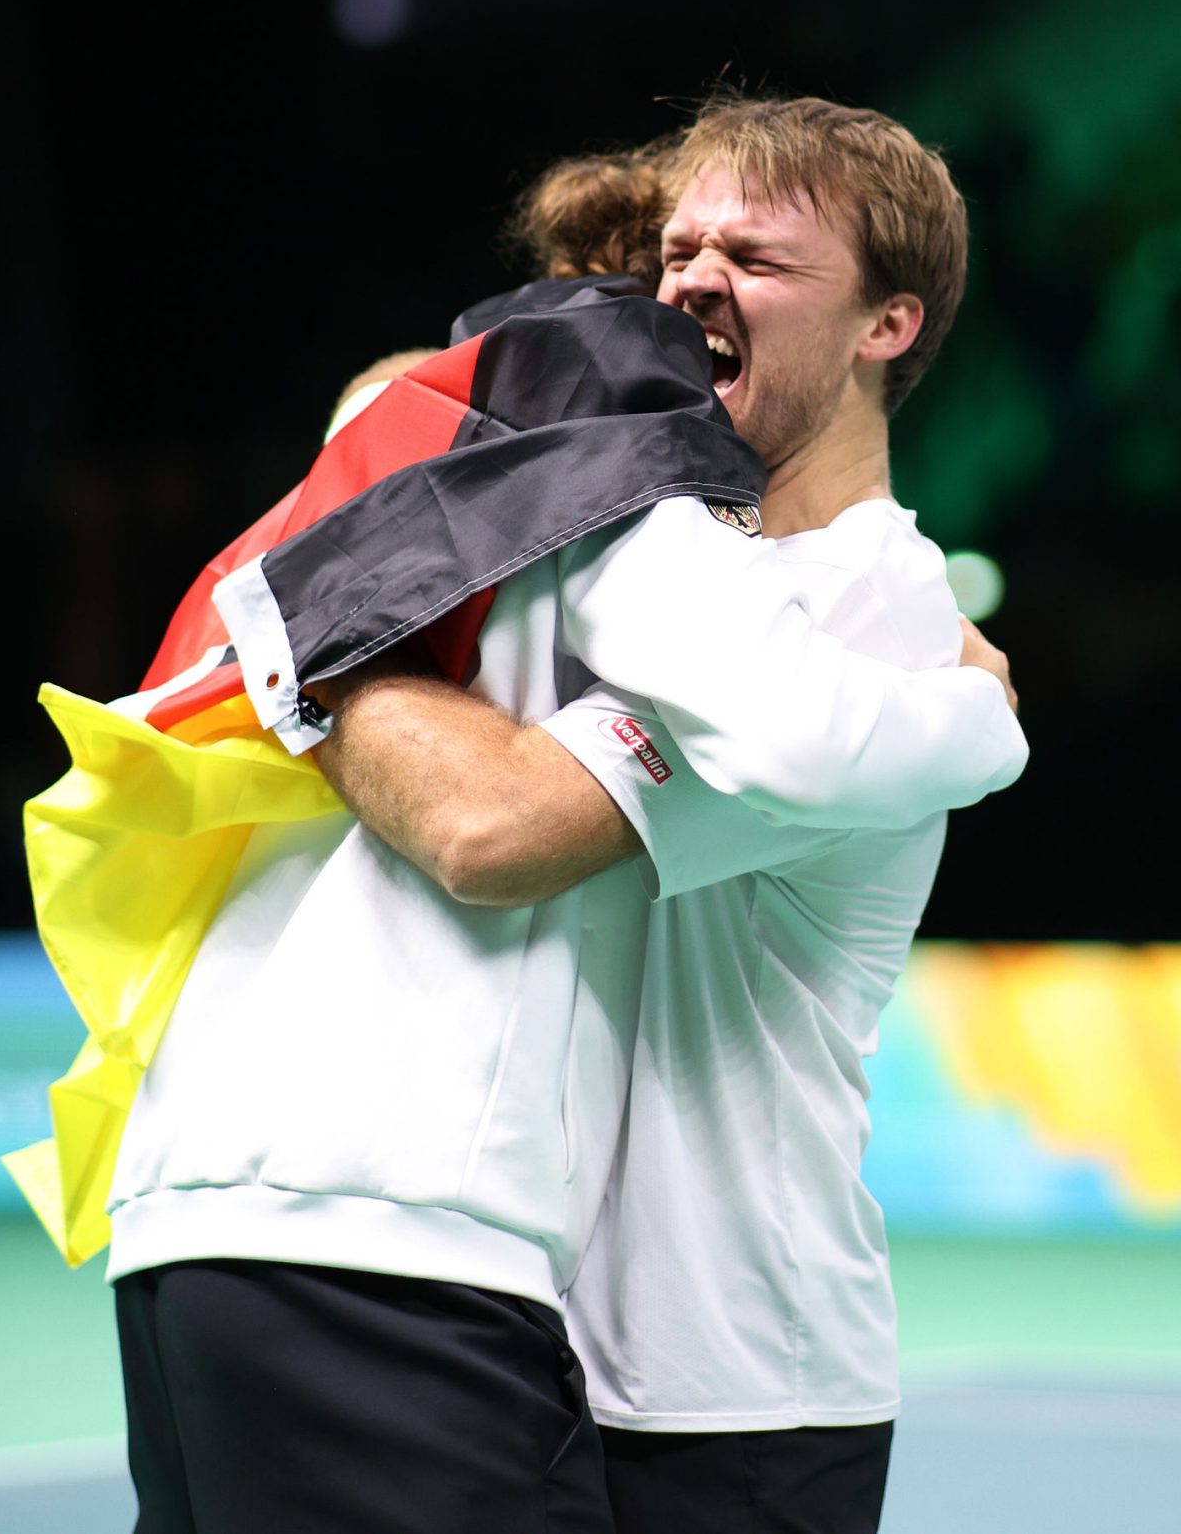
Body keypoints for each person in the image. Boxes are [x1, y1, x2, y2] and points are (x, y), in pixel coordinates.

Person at [105, 99, 1025, 1534]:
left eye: (758, 258)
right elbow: (394, 405)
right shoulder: (603, 549)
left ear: (886, 324)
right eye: (676, 254)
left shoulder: (855, 608)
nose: (694, 285)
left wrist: (318, 613)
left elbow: (493, 825)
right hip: (532, 1323)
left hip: (738, 1372)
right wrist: (371, 552)